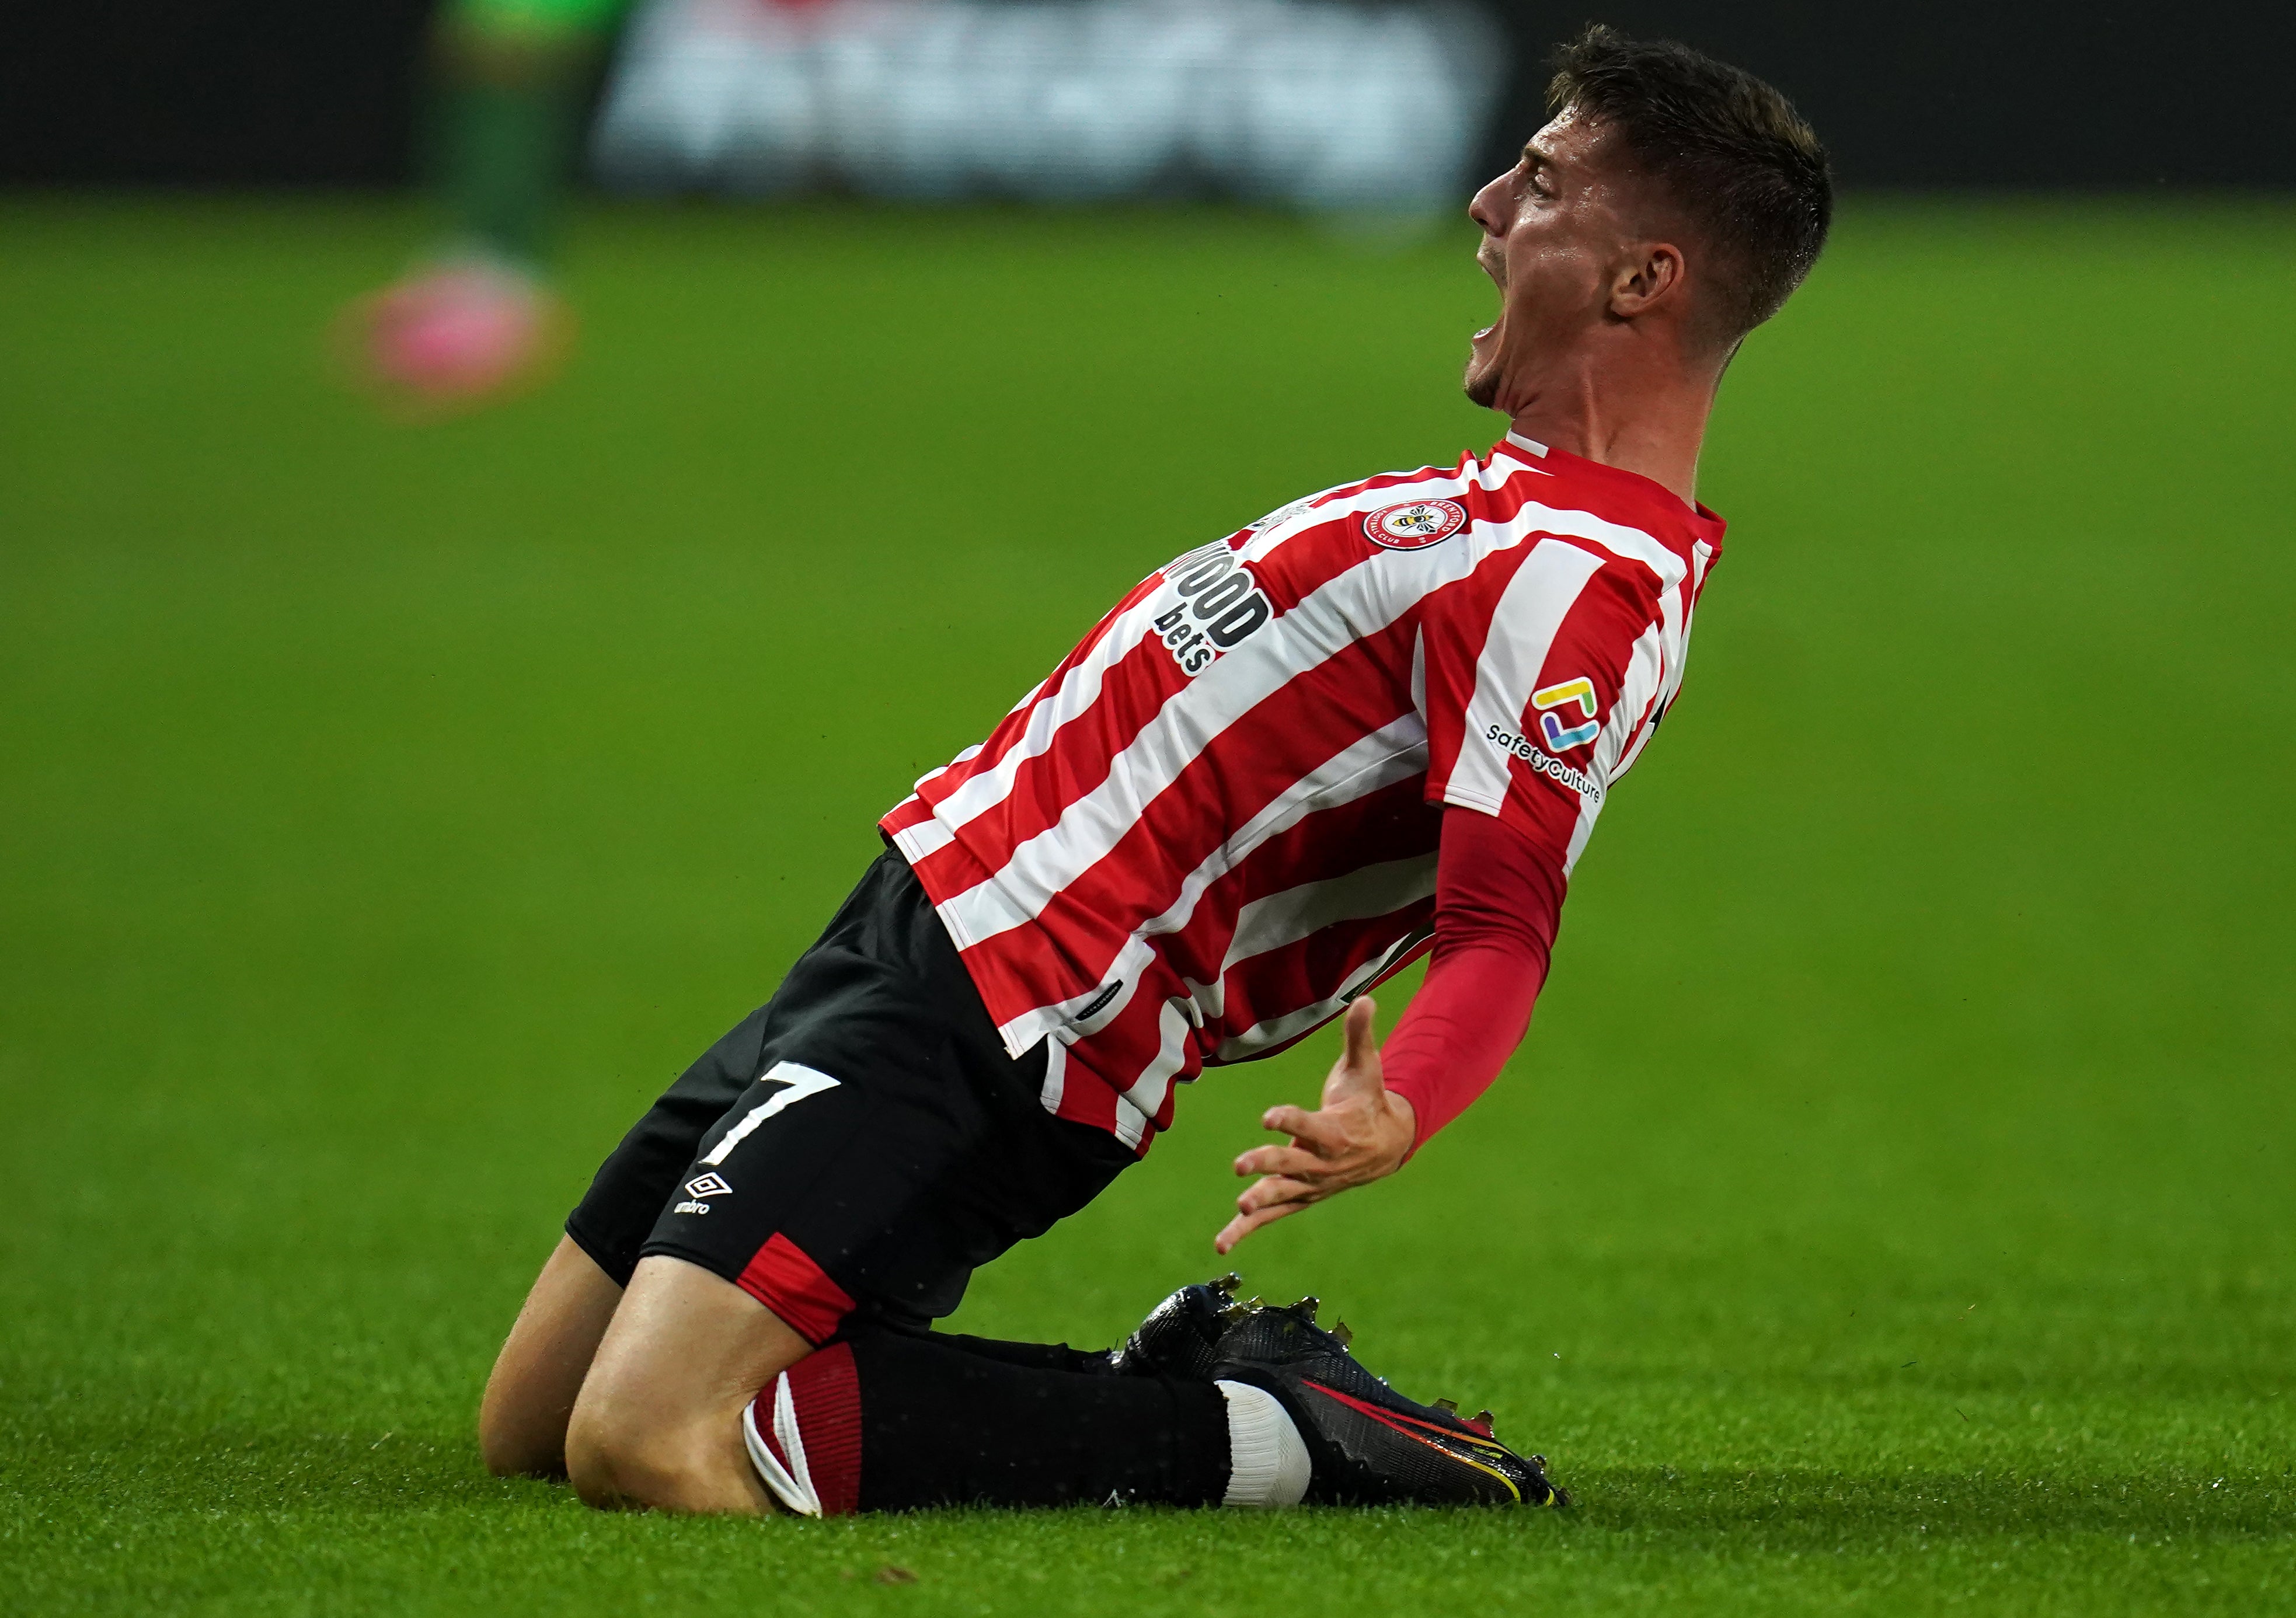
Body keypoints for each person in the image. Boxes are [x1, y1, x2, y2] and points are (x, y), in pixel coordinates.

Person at [476, 25, 1832, 1515]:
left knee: (648, 1442)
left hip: (1023, 1007)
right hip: (914, 931)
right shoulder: (1510, 513)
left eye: (1543, 182)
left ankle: (1271, 1437)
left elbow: (1503, 921)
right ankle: (1209, 1399)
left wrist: (1404, 1107)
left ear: (1643, 278)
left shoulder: (1574, 581)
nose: (1485, 202)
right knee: (534, 1423)